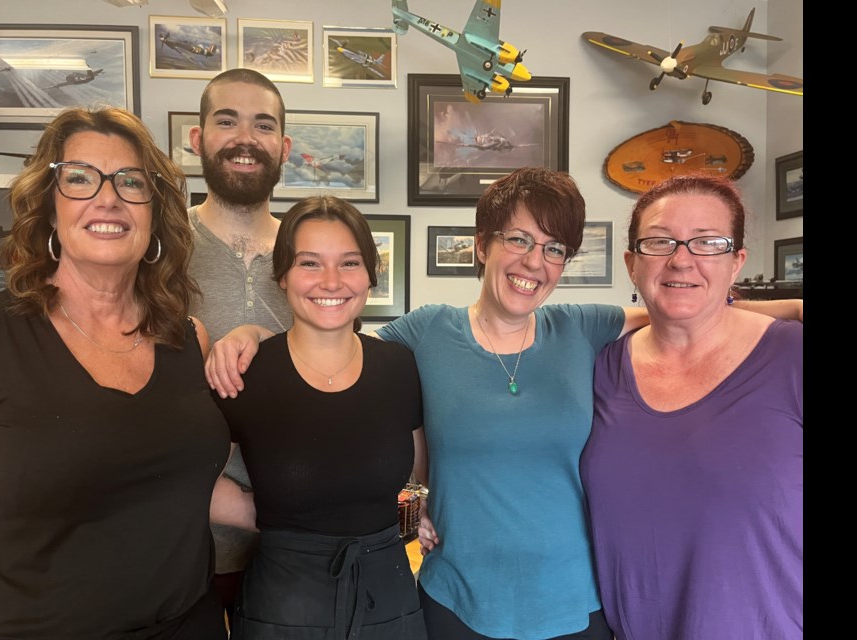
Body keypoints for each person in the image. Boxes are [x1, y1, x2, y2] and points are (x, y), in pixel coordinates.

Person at [208, 167, 802, 640]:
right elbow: (334, 345)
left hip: (577, 606)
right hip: (455, 602)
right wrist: (255, 336)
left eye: (553, 248)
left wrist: (793, 309)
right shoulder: (425, 333)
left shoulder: (582, 327)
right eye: (517, 239)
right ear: (482, 245)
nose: (533, 262)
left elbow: (679, 307)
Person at [0, 107, 236, 638]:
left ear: (153, 213)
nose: (108, 197)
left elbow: (180, 480)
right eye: (79, 179)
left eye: (131, 182)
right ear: (49, 208)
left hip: (188, 624)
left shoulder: (187, 338)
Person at [579, 175, 803, 639]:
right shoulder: (598, 369)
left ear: (736, 261)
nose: (682, 259)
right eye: (660, 242)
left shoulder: (793, 357)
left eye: (708, 242)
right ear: (632, 264)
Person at [212, 196, 428, 639]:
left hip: (389, 594)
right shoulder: (246, 372)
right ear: (283, 276)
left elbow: (417, 474)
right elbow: (189, 479)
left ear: (370, 275)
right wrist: (272, 514)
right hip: (284, 601)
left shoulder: (399, 365)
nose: (331, 282)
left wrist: (413, 522)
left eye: (349, 263)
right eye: (310, 263)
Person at [187, 68, 295, 628]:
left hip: (293, 548)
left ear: (284, 146)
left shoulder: (312, 259)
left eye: (263, 124)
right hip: (180, 550)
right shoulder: (159, 249)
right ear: (197, 137)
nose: (245, 138)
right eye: (226, 120)